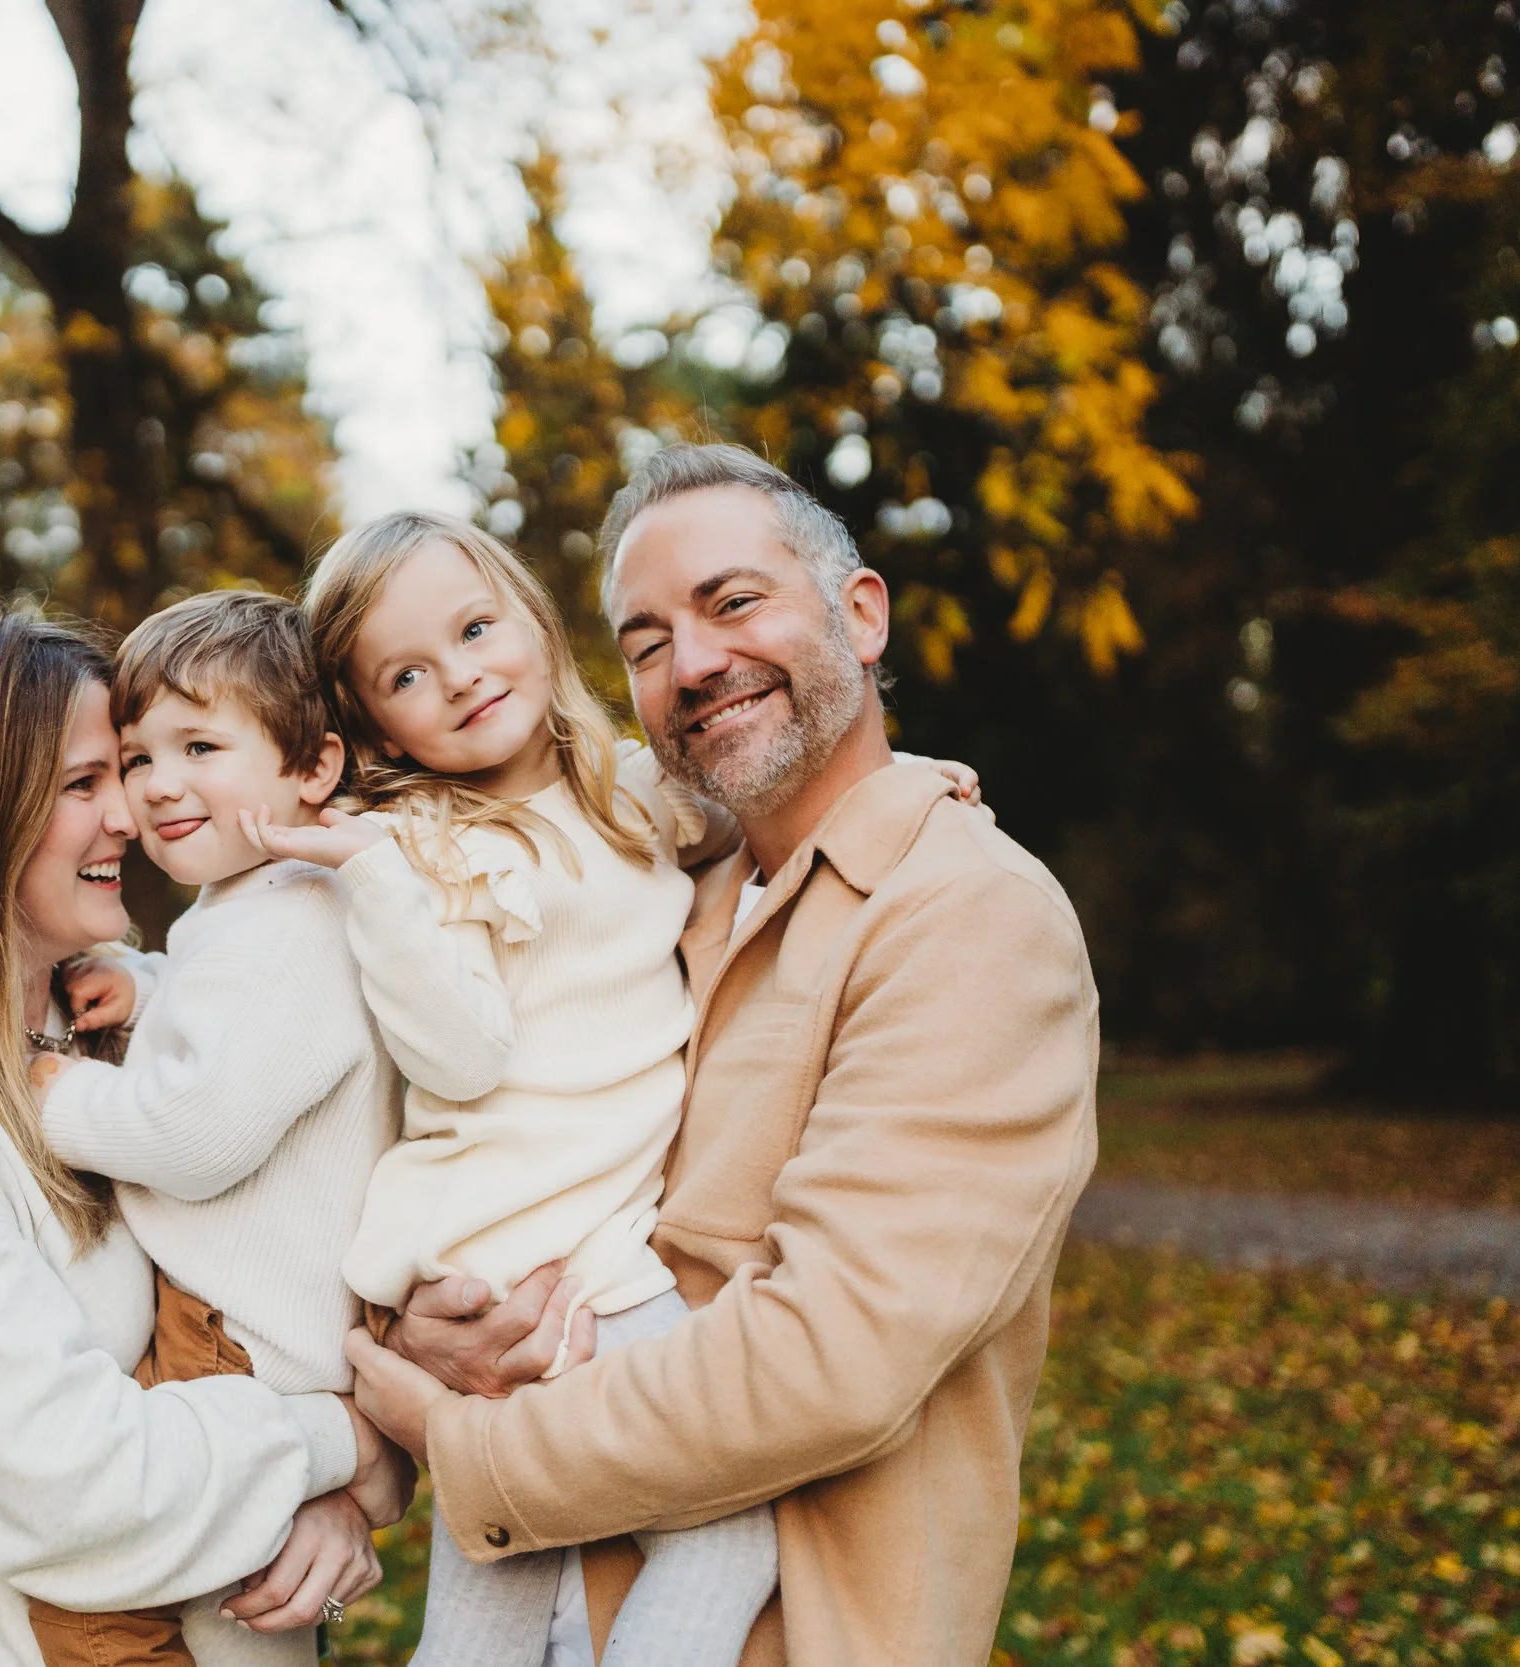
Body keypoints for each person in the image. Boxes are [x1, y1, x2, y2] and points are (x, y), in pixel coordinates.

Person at [343, 444, 1101, 1667]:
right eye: (644, 642)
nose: (692, 663)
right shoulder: (658, 885)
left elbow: (827, 1355)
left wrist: (471, 1437)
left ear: (859, 616)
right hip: (549, 1605)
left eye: (733, 602)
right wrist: (426, 1329)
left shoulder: (968, 916)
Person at [0, 603, 402, 1667]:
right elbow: (76, 1484)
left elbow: (311, 1252)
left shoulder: (135, 1021)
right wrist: (351, 1443)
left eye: (129, 767)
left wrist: (337, 1502)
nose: (132, 811)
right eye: (84, 782)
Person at [253, 511, 781, 1667]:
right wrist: (379, 882)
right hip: (531, 1259)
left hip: (576, 1238)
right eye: (405, 673)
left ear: (532, 621)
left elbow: (769, 814)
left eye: (475, 627)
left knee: (502, 1571)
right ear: (370, 719)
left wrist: (906, 781)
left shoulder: (627, 795)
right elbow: (459, 1056)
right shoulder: (429, 847)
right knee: (730, 1531)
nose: (458, 675)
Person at [24, 589, 406, 1667]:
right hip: (246, 1328)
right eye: (137, 756)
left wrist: (58, 1093)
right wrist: (145, 984)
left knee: (122, 1594)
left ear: (314, 767)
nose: (157, 785)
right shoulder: (256, 907)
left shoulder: (289, 920)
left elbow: (197, 1131)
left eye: (201, 743)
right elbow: (234, 1031)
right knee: (229, 1596)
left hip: (237, 1340)